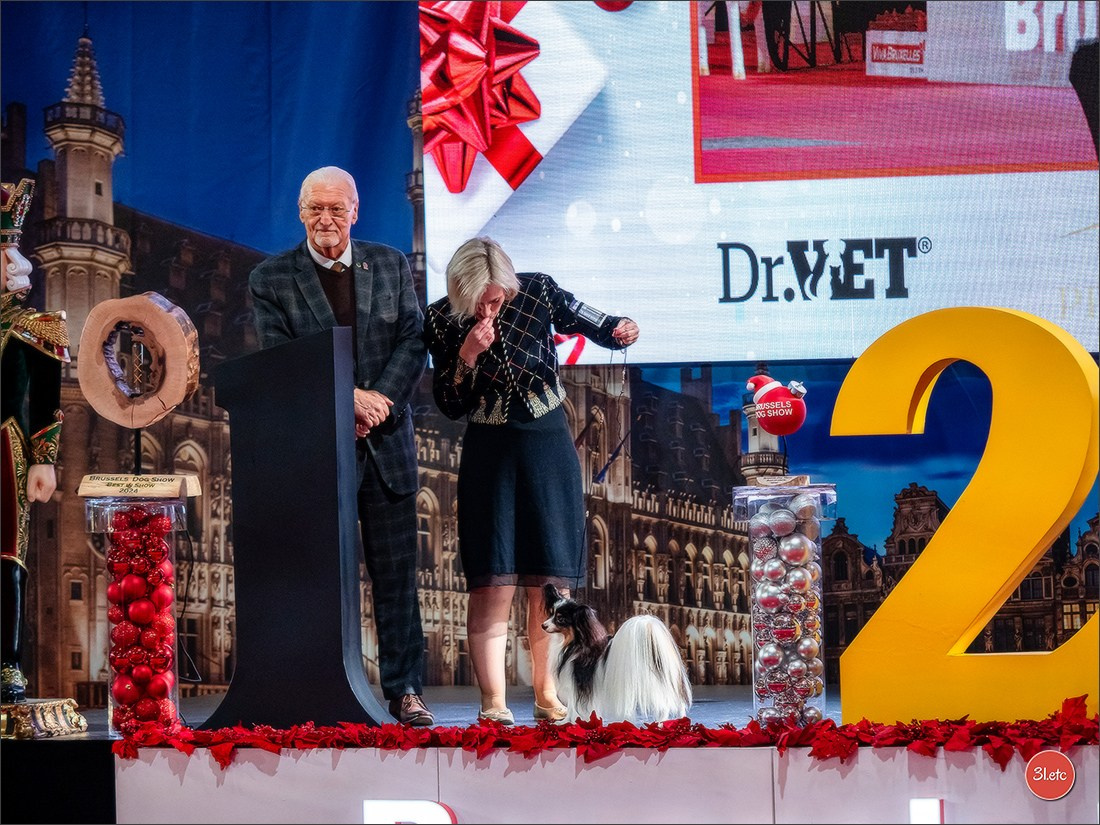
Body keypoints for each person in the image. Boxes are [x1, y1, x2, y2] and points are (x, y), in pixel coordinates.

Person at [423, 236, 639, 724]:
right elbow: (449, 402)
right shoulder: (439, 318)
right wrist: (467, 357)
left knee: (548, 585)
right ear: (459, 291)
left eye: (497, 299)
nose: (489, 309)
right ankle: (493, 702)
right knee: (492, 580)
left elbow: (593, 321)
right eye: (478, 301)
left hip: (546, 445)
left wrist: (620, 329)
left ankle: (546, 694)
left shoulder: (538, 291)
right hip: (489, 452)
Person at [248, 166, 433, 726]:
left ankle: (406, 692)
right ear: (300, 213)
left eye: (336, 208)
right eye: (315, 209)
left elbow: (413, 339)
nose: (326, 219)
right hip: (316, 454)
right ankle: (319, 692)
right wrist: (346, 399)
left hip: (386, 447)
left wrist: (378, 402)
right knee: (318, 582)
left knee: (397, 580)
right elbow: (281, 358)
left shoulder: (391, 264)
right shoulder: (271, 278)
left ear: (356, 211)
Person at [2, 178, 70, 705]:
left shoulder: (37, 326)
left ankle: (6, 663)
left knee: (8, 559)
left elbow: (48, 403)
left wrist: (43, 461)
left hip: (5, 449)